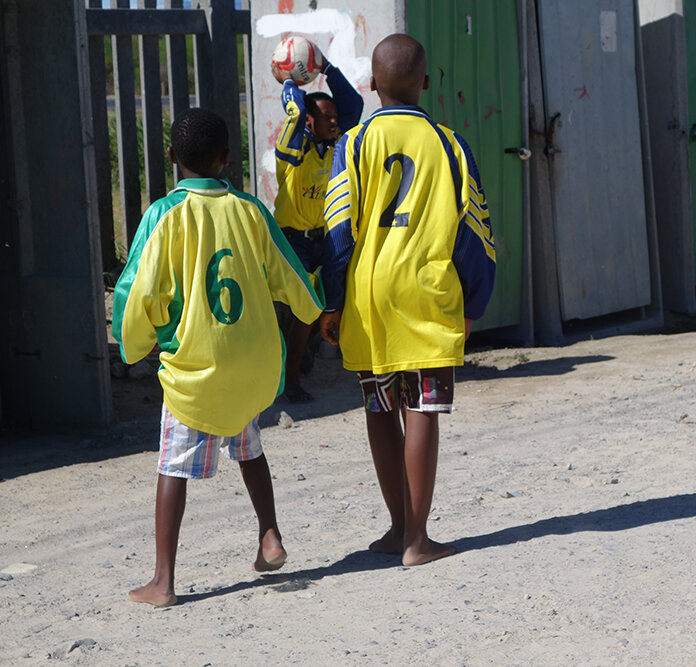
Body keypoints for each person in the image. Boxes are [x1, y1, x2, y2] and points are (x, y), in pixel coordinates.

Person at [112, 108, 325, 606]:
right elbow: (292, 275)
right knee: (248, 447)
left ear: (170, 157)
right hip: (252, 367)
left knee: (172, 465)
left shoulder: (163, 215)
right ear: (227, 158)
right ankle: (270, 535)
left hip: (197, 369)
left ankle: (162, 582)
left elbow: (136, 291)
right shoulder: (250, 210)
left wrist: (137, 345)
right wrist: (316, 310)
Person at [318, 34, 496, 565]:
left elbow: (337, 230)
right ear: (425, 81)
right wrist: (473, 303)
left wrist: (333, 301)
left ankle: (397, 528)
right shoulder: (448, 143)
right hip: (427, 290)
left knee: (379, 407)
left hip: (370, 293)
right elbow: (475, 230)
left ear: (371, 84)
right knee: (423, 409)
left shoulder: (352, 143)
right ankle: (418, 541)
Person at [273, 47, 363, 403]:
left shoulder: (338, 146)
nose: (334, 121)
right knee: (305, 309)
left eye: (334, 117)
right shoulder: (294, 147)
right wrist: (291, 81)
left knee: (325, 303)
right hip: (291, 240)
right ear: (308, 122)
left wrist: (326, 68)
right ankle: (290, 381)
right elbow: (295, 112)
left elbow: (353, 104)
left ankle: (302, 352)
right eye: (326, 117)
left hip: (324, 239)